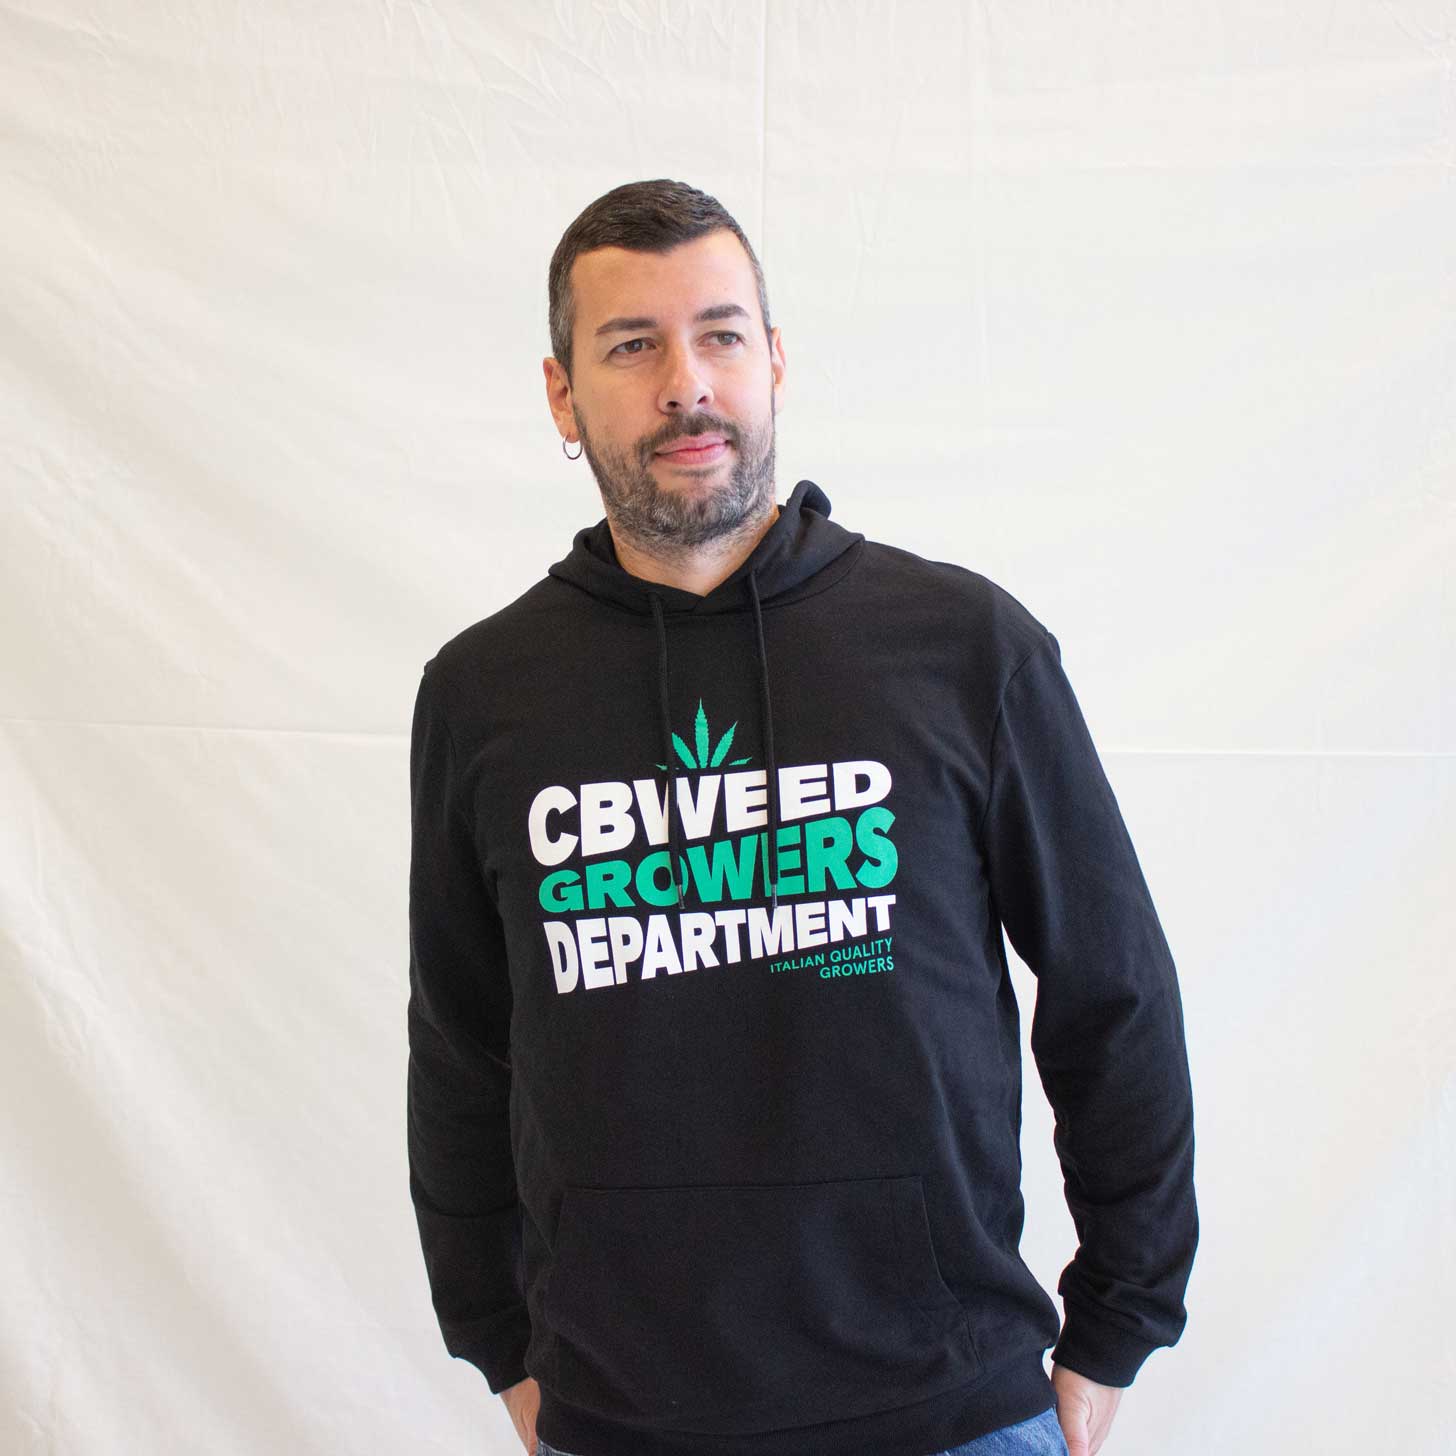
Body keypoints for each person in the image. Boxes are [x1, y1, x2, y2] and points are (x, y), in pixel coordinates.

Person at [406, 178, 1198, 1456]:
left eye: (719, 335)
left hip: (949, 1407)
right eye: (632, 345)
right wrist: (498, 1342)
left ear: (773, 362)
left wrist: (1117, 1323)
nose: (686, 384)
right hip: (622, 1418)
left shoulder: (962, 648)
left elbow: (1113, 990)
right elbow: (459, 1049)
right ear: (561, 394)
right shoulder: (486, 692)